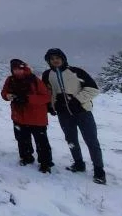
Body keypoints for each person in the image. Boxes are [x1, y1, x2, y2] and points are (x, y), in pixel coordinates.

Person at [42, 48, 106, 185]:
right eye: (52, 59)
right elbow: (48, 91)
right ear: (48, 61)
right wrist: (50, 106)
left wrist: (77, 100)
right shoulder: (47, 75)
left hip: (83, 112)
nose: (55, 60)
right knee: (71, 140)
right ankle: (78, 163)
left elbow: (93, 89)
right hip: (63, 114)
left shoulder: (76, 71)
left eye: (57, 58)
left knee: (91, 141)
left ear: (63, 58)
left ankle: (99, 170)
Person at [1, 59, 53, 173]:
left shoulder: (34, 80)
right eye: (15, 70)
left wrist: (27, 99)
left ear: (24, 68)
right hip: (19, 116)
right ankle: (26, 157)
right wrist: (7, 96)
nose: (17, 72)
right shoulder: (10, 80)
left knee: (41, 141)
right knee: (22, 139)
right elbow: (4, 93)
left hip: (36, 117)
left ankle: (45, 163)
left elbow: (45, 97)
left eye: (19, 69)